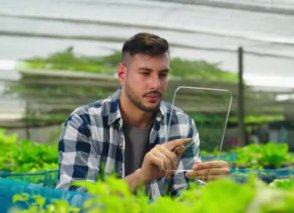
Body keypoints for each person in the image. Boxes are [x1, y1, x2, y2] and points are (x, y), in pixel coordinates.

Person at [56, 32, 230, 198]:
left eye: (163, 74)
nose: (155, 84)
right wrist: (141, 176)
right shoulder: (84, 123)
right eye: (145, 73)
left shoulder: (182, 124)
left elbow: (186, 196)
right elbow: (73, 200)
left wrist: (214, 187)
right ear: (122, 74)